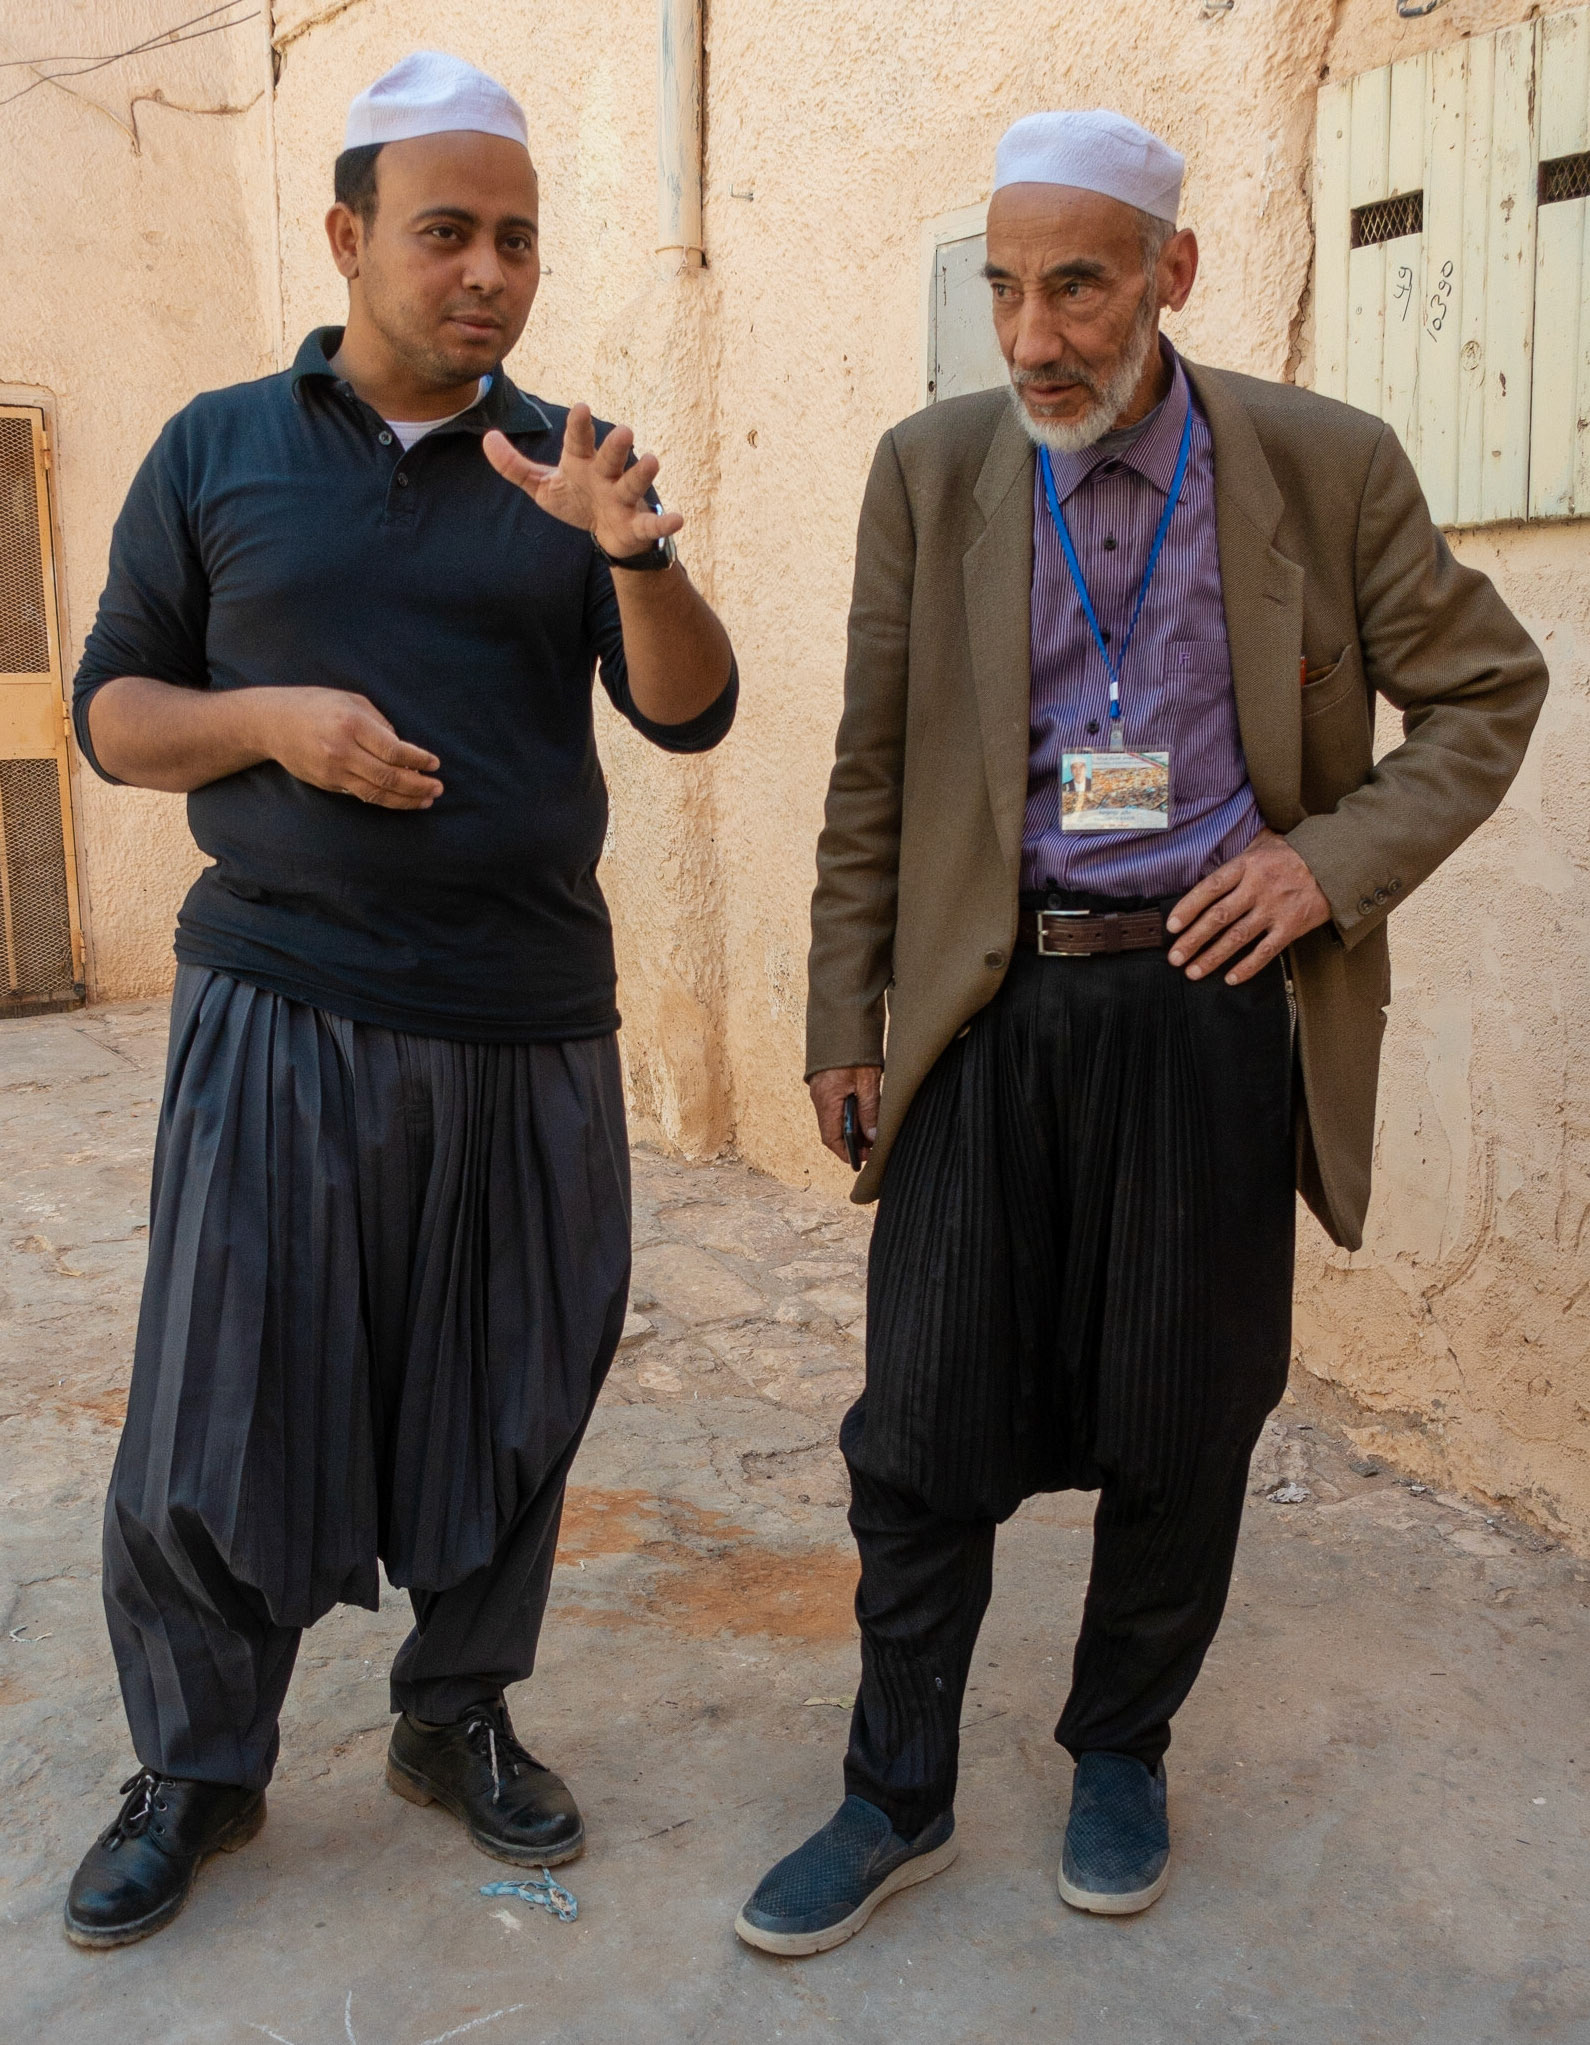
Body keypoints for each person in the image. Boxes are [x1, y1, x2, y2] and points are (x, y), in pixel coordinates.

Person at [735, 107, 1546, 1956]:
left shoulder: (1321, 468)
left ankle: (1120, 1744)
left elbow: (1488, 690)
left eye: (1077, 285)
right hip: (982, 1003)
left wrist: (1326, 866)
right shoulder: (931, 472)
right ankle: (894, 1790)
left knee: (1185, 1411)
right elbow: (869, 768)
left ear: (1171, 274)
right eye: (1007, 289)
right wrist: (836, 1010)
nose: (1034, 336)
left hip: (1204, 1007)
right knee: (922, 1419)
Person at [64, 50, 736, 1949]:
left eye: (517, 240)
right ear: (351, 235)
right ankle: (199, 1763)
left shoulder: (570, 461)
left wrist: (635, 548)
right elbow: (113, 710)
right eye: (447, 233)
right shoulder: (217, 447)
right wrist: (268, 722)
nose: (489, 274)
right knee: (222, 1398)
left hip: (528, 1017)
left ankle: (453, 1716)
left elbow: (686, 708)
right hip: (280, 1003)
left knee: (516, 1387)